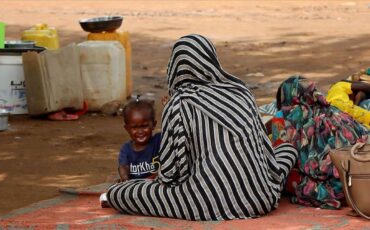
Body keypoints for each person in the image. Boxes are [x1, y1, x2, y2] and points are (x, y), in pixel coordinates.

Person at [99, 34, 298, 220]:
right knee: (287, 149)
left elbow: (169, 175)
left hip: (207, 202)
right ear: (211, 59)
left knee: (119, 193)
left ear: (174, 66)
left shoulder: (179, 103)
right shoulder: (241, 92)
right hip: (262, 198)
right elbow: (264, 154)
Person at [273, 76, 368, 209]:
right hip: (358, 181)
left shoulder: (281, 117)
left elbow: (280, 153)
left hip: (332, 187)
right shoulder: (334, 110)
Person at [117, 99, 161, 182]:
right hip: (134, 188)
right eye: (134, 127)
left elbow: (172, 131)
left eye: (144, 126)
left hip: (155, 187)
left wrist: (168, 109)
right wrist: (125, 179)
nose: (140, 132)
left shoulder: (158, 141)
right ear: (127, 128)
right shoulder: (126, 149)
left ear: (154, 125)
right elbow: (123, 166)